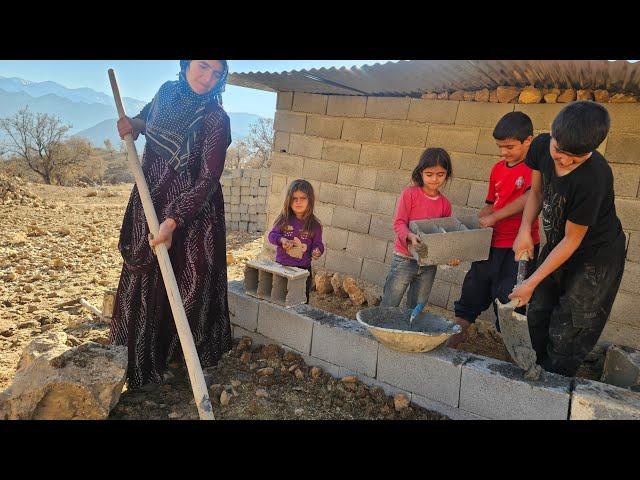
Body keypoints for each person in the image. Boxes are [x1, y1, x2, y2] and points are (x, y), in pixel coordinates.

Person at [109, 60, 233, 389]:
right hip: (151, 197)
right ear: (186, 63)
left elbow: (207, 179)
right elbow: (147, 119)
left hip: (193, 215)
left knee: (188, 281)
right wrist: (132, 125)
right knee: (145, 278)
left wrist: (174, 219)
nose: (208, 78)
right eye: (203, 67)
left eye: (216, 74)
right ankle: (138, 355)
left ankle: (179, 357)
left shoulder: (215, 119)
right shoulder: (166, 93)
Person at [510, 100, 625, 377]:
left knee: (570, 327)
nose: (566, 161)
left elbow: (573, 241)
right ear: (552, 132)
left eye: (577, 157)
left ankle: (555, 384)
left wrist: (531, 281)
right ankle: (532, 371)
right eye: (560, 151)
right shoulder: (540, 146)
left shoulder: (594, 177)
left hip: (595, 258)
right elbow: (536, 193)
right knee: (537, 310)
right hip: (558, 246)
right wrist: (525, 230)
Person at [448, 112, 540, 347]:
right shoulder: (498, 168)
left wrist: (495, 217)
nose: (503, 152)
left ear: (528, 140)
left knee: (510, 300)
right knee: (472, 291)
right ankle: (452, 340)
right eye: (500, 147)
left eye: (509, 147)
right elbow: (491, 203)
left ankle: (514, 356)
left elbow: (531, 197)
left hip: (518, 248)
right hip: (489, 243)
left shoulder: (535, 169)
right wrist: (472, 226)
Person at [381, 147, 459, 311]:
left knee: (417, 306)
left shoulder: (445, 204)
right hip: (404, 259)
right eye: (429, 174)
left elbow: (443, 237)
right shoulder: (410, 194)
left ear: (447, 174)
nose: (434, 179)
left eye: (440, 174)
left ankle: (409, 334)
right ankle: (380, 333)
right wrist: (410, 236)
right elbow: (399, 223)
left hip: (428, 264)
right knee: (390, 302)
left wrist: (450, 256)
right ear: (421, 172)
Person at [267, 179, 324, 303]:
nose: (298, 202)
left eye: (303, 198)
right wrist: (282, 240)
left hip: (303, 271)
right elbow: (272, 236)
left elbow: (318, 244)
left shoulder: (315, 225)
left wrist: (317, 250)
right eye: (294, 198)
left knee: (300, 302)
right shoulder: (283, 219)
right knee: (279, 300)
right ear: (289, 200)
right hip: (282, 268)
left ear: (310, 200)